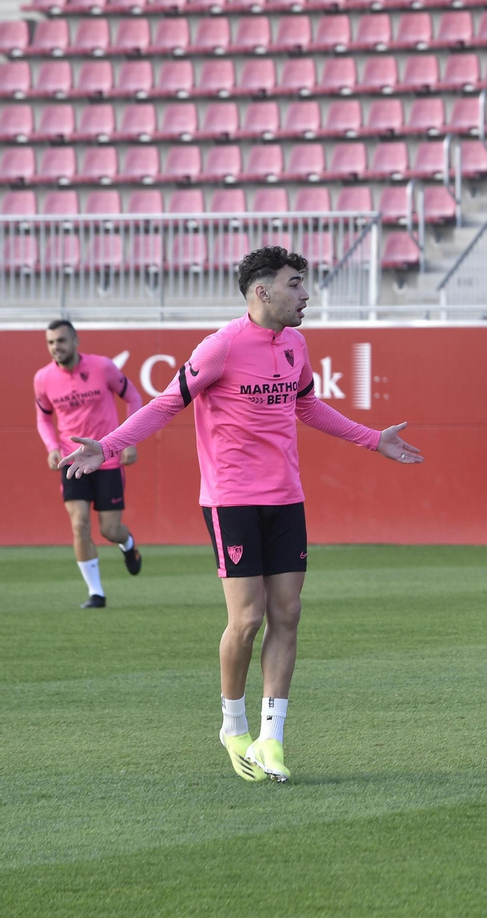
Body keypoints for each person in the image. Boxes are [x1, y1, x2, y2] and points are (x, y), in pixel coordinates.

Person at [62, 247, 423, 785]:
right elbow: (165, 404)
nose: (305, 295)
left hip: (287, 499)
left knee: (289, 614)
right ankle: (232, 725)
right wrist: (107, 448)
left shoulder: (296, 344)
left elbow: (306, 406)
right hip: (231, 500)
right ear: (262, 292)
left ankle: (271, 739)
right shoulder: (221, 347)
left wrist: (373, 440)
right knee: (247, 619)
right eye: (295, 285)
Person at [34, 320, 145, 608]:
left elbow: (133, 397)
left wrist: (129, 440)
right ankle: (96, 593)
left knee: (110, 529)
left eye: (60, 340)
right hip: (73, 461)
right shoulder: (43, 378)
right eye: (50, 342)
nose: (55, 347)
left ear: (75, 341)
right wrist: (51, 448)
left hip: (106, 458)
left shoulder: (102, 367)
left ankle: (128, 545)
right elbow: (44, 416)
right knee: (79, 524)